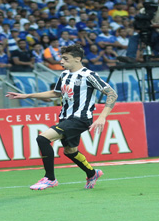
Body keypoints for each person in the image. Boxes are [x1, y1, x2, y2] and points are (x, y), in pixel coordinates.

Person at [6, 44, 118, 190]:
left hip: (80, 119)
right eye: (61, 58)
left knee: (43, 138)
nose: (61, 62)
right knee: (70, 151)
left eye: (65, 58)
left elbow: (112, 93)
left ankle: (50, 178)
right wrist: (28, 95)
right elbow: (56, 93)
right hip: (65, 118)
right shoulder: (64, 74)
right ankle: (92, 173)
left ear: (77, 59)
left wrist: (102, 117)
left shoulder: (89, 75)